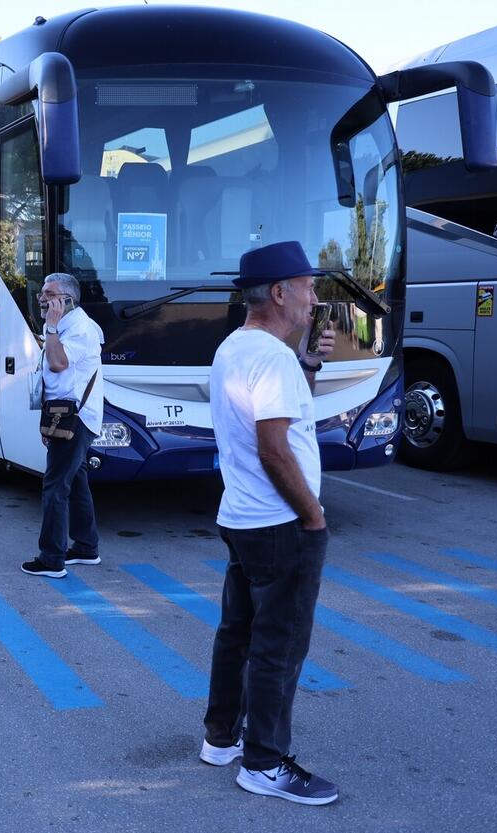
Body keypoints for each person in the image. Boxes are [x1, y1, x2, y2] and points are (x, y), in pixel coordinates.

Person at [200, 241, 338, 805]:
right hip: (281, 524)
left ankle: (221, 738)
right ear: (279, 293)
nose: (314, 298)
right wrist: (313, 515)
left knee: (237, 633)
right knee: (279, 646)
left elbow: (285, 419)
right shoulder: (271, 358)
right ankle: (264, 762)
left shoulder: (235, 347)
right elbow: (275, 449)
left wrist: (309, 362)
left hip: (243, 516)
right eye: (307, 287)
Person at [21, 273, 106, 579]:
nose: (42, 299)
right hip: (66, 416)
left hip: (76, 419)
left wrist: (52, 327)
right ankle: (86, 547)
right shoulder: (65, 326)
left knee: (55, 487)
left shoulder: (80, 329)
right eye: (43, 293)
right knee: (77, 481)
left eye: (49, 294)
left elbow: (58, 364)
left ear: (68, 299)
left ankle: (52, 559)